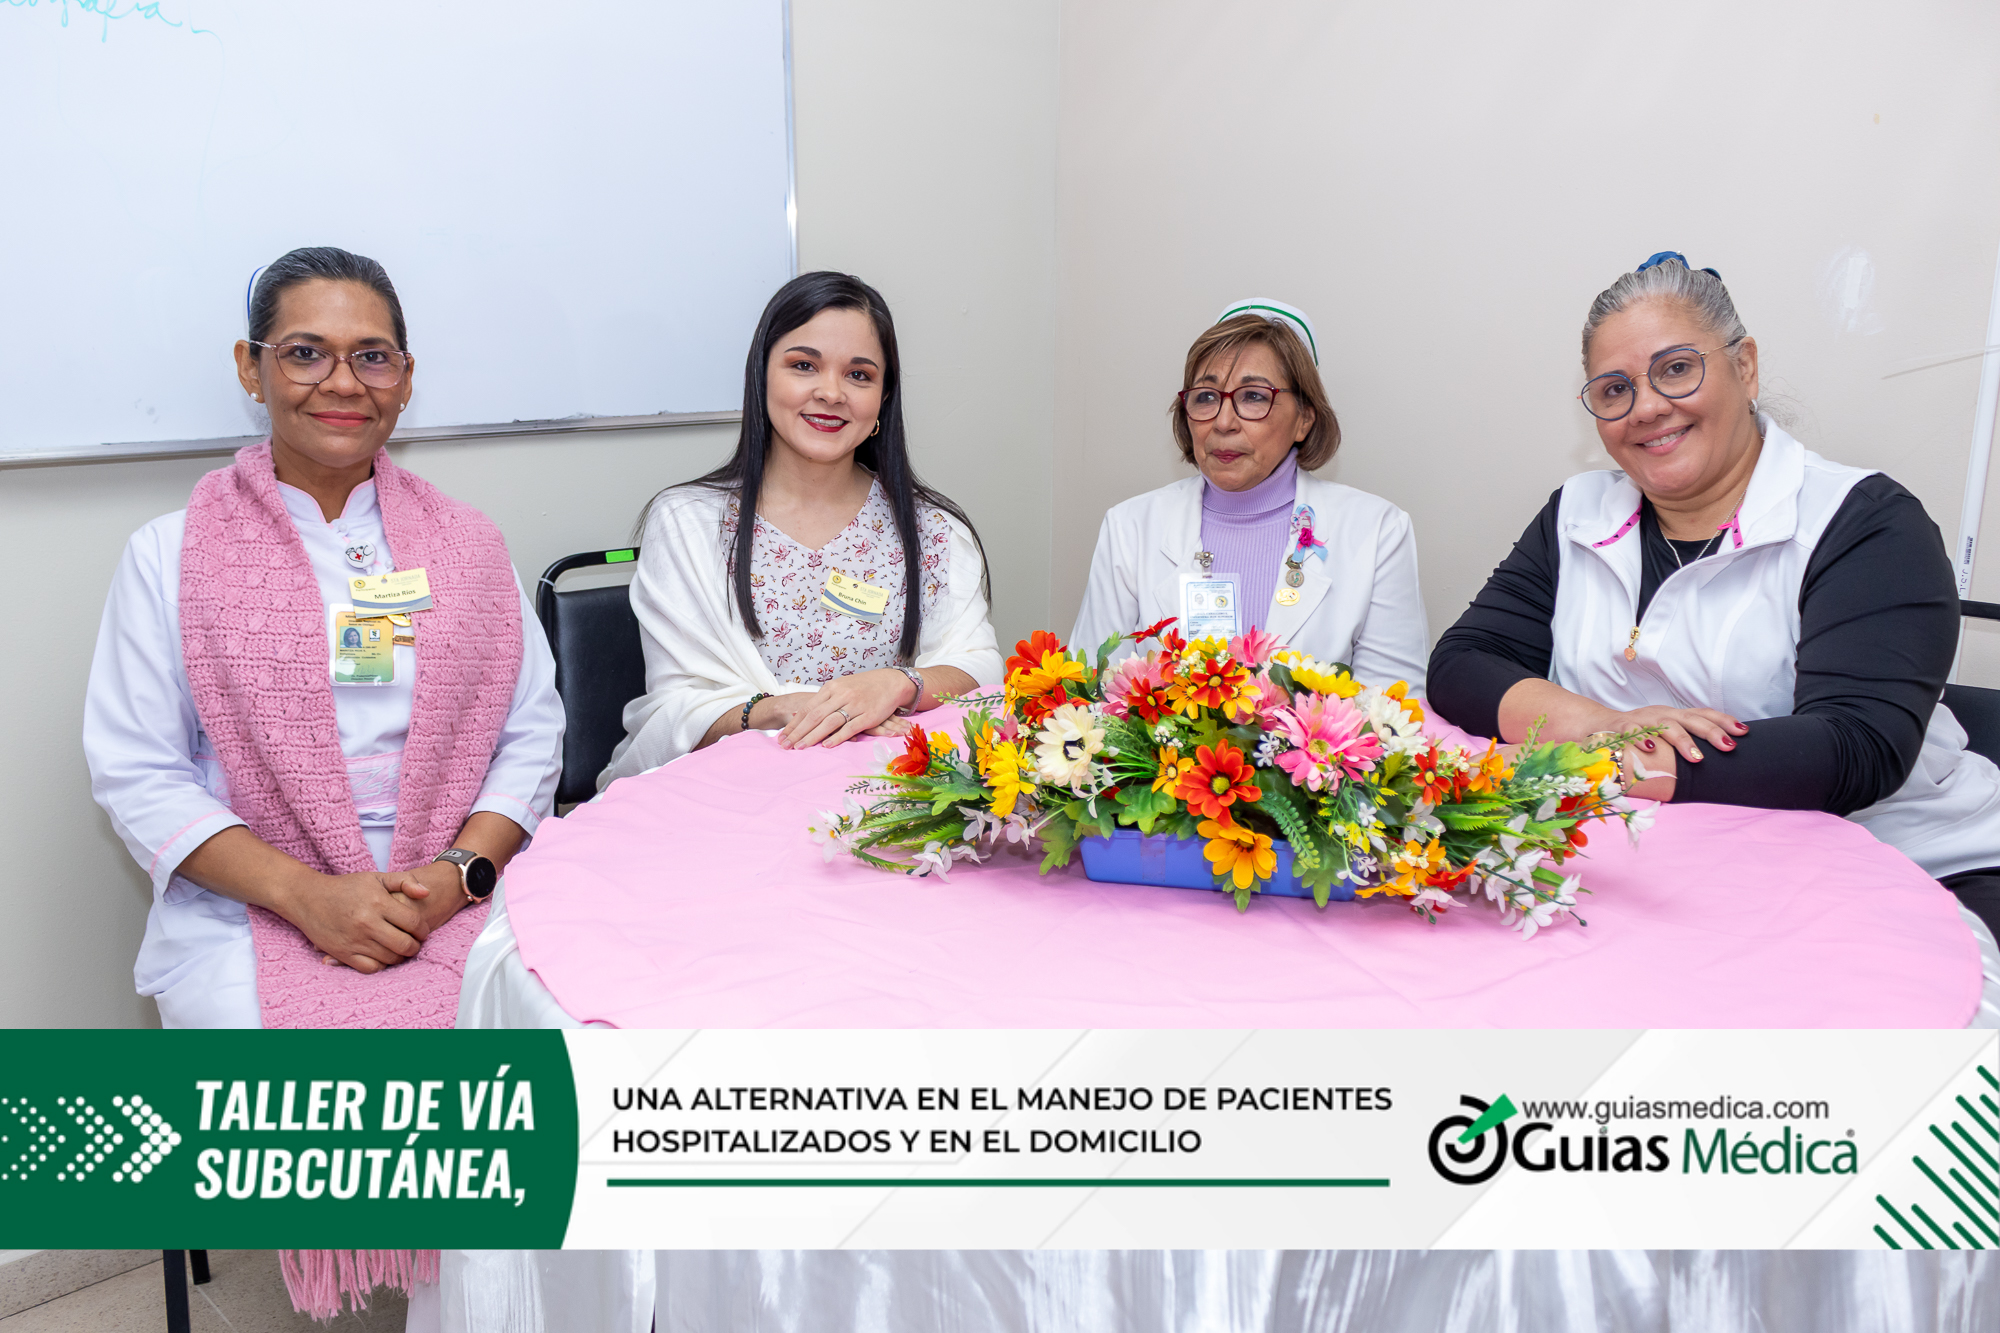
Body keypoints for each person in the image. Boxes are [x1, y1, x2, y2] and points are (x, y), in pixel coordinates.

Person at [1427, 251, 2000, 943]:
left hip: (1912, 868)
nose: (1646, 408)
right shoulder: (1576, 514)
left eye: (1676, 369)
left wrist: (1608, 761)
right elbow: (1462, 663)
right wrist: (1600, 726)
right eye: (1614, 389)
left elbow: (1852, 748)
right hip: (1682, 868)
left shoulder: (1863, 523)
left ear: (1745, 366)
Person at [84, 246, 563, 1029]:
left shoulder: (470, 545)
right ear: (252, 369)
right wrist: (306, 896)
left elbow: (532, 733)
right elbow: (138, 772)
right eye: (306, 353)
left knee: (563, 1031)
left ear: (405, 378)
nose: (343, 383)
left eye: (372, 357)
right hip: (251, 907)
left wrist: (457, 876)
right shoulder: (169, 555)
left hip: (461, 885)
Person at [600, 271, 1002, 784]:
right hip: (729, 793)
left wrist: (898, 684)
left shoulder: (933, 530)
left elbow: (980, 668)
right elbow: (672, 710)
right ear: (762, 377)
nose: (831, 392)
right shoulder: (688, 523)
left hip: (883, 795)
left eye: (859, 375)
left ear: (883, 397)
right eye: (803, 365)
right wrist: (777, 709)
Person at [1070, 299, 1429, 687]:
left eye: (1254, 396)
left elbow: (1394, 708)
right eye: (1206, 397)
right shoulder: (1130, 527)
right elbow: (1090, 694)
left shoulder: (1377, 531)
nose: (1223, 422)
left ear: (1304, 419)